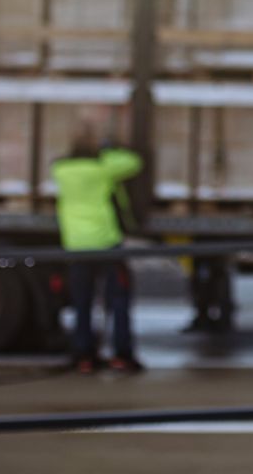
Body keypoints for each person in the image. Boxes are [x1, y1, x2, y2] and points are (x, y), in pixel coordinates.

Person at [51, 127, 145, 374]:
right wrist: (109, 149)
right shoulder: (102, 169)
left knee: (82, 303)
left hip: (75, 246)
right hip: (106, 243)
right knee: (118, 299)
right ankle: (121, 354)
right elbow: (133, 163)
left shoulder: (60, 171)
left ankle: (84, 356)